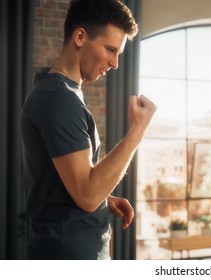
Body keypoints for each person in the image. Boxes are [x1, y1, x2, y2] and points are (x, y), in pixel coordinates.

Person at [20, 0, 156, 259]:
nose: (115, 63)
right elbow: (87, 195)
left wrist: (105, 200)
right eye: (110, 49)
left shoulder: (63, 94)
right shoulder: (59, 99)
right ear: (80, 36)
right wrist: (137, 130)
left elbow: (71, 183)